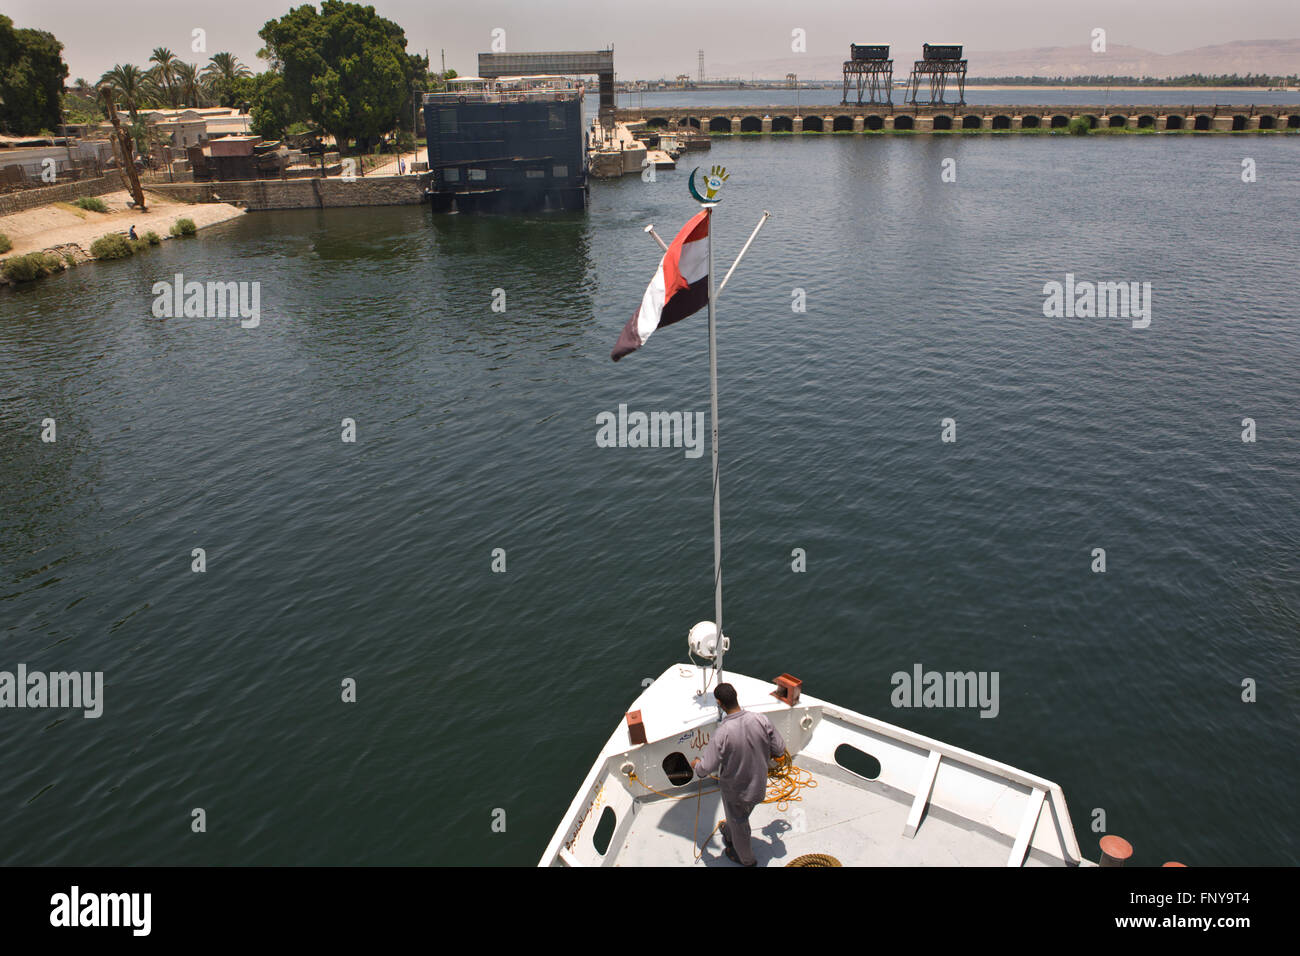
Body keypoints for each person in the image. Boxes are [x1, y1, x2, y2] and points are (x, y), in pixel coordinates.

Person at [692, 683, 785, 866]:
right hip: (758, 787)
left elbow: (705, 768)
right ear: (736, 696)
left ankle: (747, 860)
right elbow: (780, 750)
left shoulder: (722, 733)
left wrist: (696, 764)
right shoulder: (761, 719)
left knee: (740, 823)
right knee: (740, 816)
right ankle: (729, 831)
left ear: (719, 703)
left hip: (736, 793)